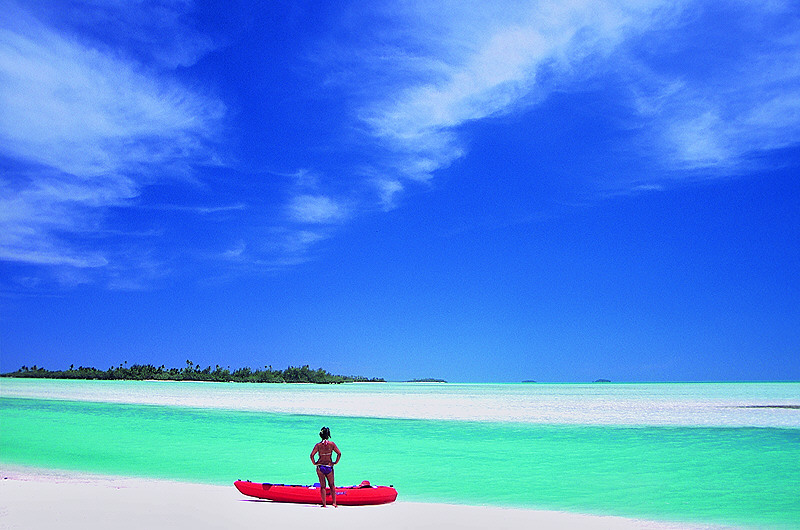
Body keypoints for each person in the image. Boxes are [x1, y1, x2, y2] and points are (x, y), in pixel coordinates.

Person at [309, 426, 341, 507]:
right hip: (329, 466)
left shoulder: (318, 445)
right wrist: (335, 462)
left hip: (321, 467)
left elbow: (312, 455)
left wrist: (314, 463)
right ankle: (334, 503)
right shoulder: (332, 444)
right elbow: (339, 453)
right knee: (332, 485)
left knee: (323, 486)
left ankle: (324, 504)